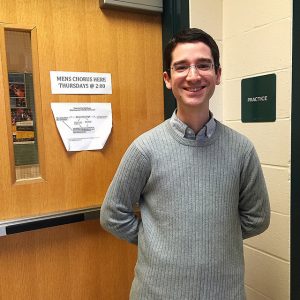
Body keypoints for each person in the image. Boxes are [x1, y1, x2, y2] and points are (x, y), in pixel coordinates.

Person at [100, 28, 270, 300]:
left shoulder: (241, 150)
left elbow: (257, 219)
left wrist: (213, 238)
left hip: (224, 294)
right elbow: (112, 214)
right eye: (181, 67)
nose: (193, 76)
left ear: (218, 74)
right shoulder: (145, 149)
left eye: (203, 65)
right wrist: (155, 241)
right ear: (168, 79)